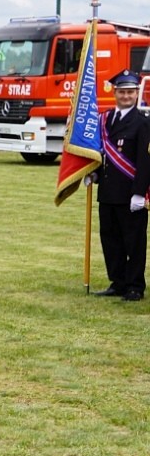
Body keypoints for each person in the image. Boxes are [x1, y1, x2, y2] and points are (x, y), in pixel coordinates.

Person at [92, 68, 150, 301]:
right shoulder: (105, 119)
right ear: (114, 93)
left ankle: (135, 285)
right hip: (107, 191)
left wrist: (139, 193)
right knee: (110, 239)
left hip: (130, 194)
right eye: (121, 92)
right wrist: (93, 173)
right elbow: (98, 151)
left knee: (133, 241)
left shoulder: (143, 123)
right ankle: (118, 282)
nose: (126, 96)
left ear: (137, 94)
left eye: (130, 92)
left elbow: (146, 161)